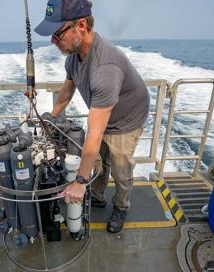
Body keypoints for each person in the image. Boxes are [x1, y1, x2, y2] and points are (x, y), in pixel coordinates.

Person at [35, 0, 149, 233]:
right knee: (97, 161)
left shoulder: (105, 67)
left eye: (57, 34)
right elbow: (67, 90)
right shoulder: (73, 56)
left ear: (82, 26)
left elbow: (95, 133)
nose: (53, 41)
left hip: (126, 120)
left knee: (120, 167)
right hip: (104, 113)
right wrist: (51, 119)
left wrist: (78, 181)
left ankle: (121, 206)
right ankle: (96, 194)